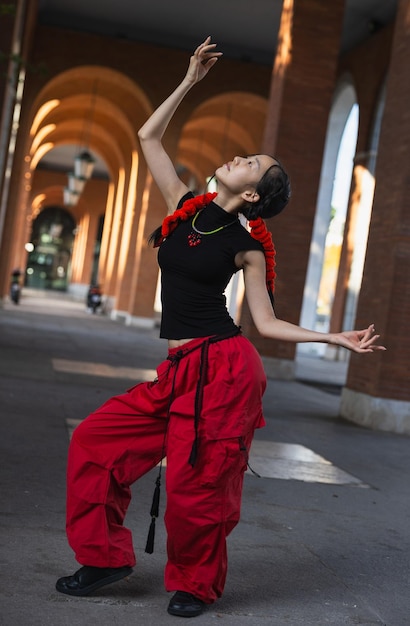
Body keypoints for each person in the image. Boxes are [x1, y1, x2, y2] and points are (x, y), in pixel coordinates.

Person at [55, 37, 386, 618]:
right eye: (245, 154)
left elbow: (265, 322)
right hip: (178, 369)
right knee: (93, 441)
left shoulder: (247, 248)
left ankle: (195, 585)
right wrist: (189, 81)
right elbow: (148, 138)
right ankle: (105, 557)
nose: (239, 157)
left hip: (225, 370)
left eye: (251, 164)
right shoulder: (184, 208)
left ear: (252, 194)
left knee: (197, 489)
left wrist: (331, 338)